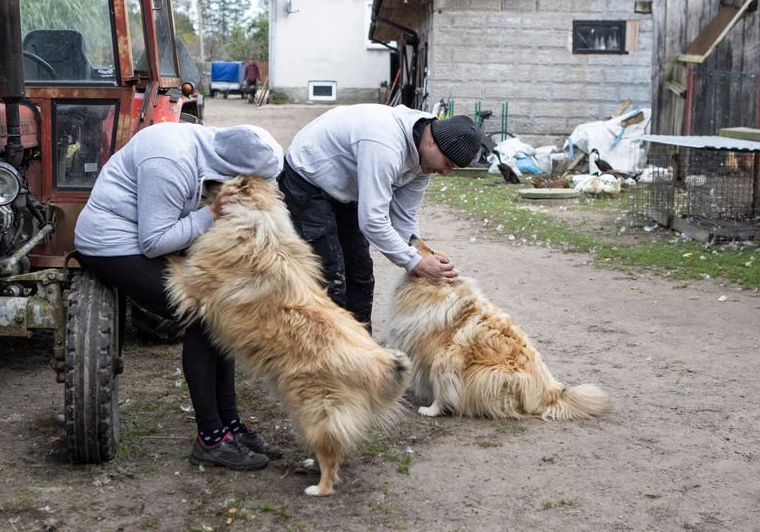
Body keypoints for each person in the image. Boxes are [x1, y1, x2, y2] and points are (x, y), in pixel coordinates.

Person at [74, 122, 284, 471]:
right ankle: (211, 439)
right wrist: (212, 214)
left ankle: (230, 426)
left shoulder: (222, 145)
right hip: (112, 242)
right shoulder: (169, 162)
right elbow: (154, 242)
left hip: (143, 233)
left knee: (223, 305)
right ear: (236, 172)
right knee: (205, 314)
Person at [278, 104, 482, 330]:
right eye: (448, 164)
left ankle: (363, 355)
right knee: (330, 277)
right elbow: (373, 221)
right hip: (307, 179)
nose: (446, 172)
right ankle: (324, 358)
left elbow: (403, 217)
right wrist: (416, 263)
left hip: (346, 188)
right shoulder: (384, 144)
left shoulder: (426, 160)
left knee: (360, 275)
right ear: (433, 141)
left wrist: (421, 255)